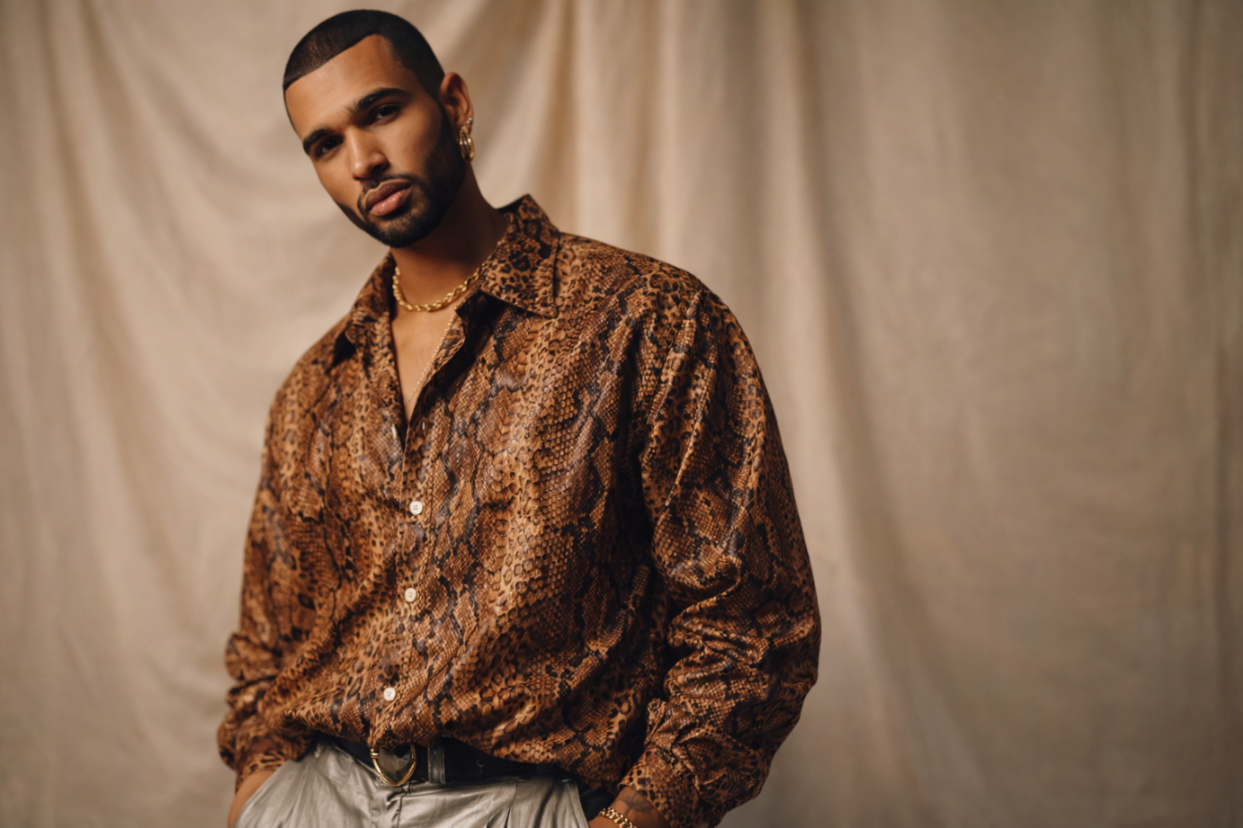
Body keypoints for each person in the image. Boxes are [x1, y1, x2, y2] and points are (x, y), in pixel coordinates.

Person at [218, 10, 820, 828]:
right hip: (317, 798)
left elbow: (752, 622)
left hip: (529, 802)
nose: (362, 160)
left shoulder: (647, 320)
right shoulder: (316, 386)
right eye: (325, 144)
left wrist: (639, 816)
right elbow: (266, 639)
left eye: (382, 111)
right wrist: (260, 793)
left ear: (453, 104)